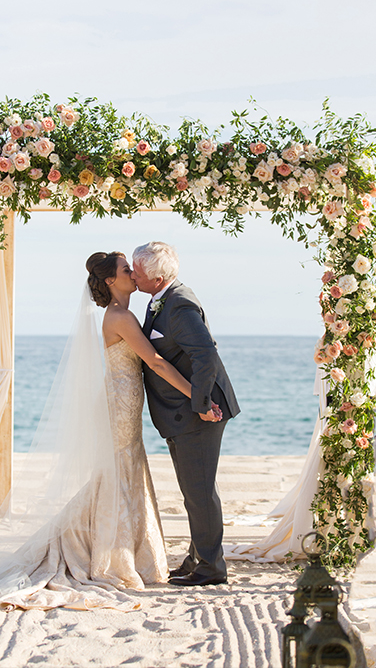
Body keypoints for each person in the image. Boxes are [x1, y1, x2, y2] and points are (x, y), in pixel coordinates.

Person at [0, 252, 220, 610]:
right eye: (125, 270)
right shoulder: (121, 317)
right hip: (121, 402)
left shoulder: (122, 314)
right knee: (119, 468)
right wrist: (198, 396)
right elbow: (158, 362)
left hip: (123, 398)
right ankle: (104, 551)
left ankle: (120, 547)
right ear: (111, 282)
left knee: (121, 469)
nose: (133, 273)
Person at [132, 241, 238, 588]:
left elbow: (206, 354)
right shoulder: (161, 300)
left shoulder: (178, 304)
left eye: (137, 270)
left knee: (200, 491)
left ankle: (211, 567)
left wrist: (203, 404)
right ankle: (198, 558)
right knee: (195, 490)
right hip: (182, 412)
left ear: (158, 277)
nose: (133, 275)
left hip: (199, 411)